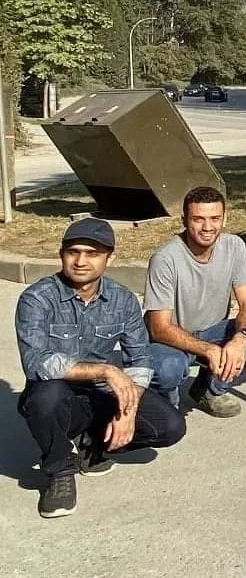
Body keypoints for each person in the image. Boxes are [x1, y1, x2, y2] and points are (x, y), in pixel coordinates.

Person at [15, 219, 186, 518]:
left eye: (92, 253)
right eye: (73, 252)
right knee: (45, 398)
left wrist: (128, 413)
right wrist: (105, 371)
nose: (81, 261)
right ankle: (60, 470)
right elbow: (37, 362)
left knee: (169, 427)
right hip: (57, 392)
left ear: (110, 258)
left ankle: (93, 445)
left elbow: (140, 360)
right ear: (62, 254)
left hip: (100, 395)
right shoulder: (37, 298)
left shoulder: (122, 300)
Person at [144, 186, 246, 417]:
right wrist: (209, 350)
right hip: (171, 338)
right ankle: (160, 399)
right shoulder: (165, 258)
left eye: (215, 219)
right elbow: (159, 328)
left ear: (224, 218)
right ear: (184, 220)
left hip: (213, 329)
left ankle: (209, 389)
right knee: (167, 373)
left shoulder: (234, 246)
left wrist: (240, 338)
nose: (208, 227)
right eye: (198, 219)